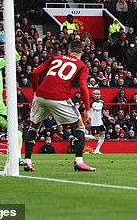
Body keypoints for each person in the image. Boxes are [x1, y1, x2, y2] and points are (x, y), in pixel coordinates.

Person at [24, 40, 95, 172]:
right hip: (59, 97)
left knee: (33, 127)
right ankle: (79, 161)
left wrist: (35, 91)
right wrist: (87, 109)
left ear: (68, 50)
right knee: (79, 127)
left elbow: (34, 73)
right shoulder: (82, 66)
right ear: (82, 51)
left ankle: (27, 161)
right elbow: (83, 86)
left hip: (40, 95)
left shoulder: (55, 58)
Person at [90, 89, 106, 154]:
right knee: (96, 137)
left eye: (98, 94)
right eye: (96, 94)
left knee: (103, 135)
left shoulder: (102, 102)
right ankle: (83, 136)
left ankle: (97, 150)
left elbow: (103, 111)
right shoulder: (90, 102)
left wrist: (109, 117)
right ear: (93, 95)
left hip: (100, 122)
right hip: (93, 122)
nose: (97, 95)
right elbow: (86, 110)